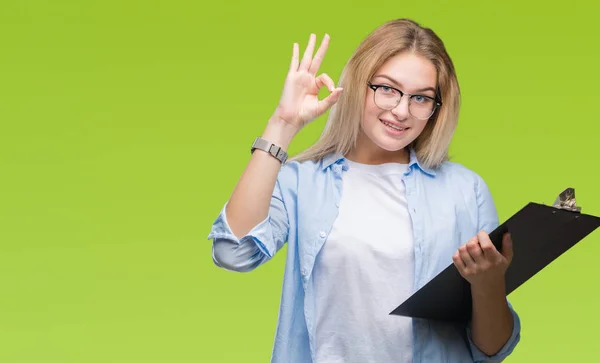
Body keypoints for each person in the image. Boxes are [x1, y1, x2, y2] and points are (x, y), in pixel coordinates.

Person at [207, 18, 521, 363]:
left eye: (421, 98)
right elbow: (232, 253)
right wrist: (282, 124)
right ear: (359, 83)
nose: (401, 111)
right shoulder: (302, 183)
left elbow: (491, 350)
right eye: (387, 88)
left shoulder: (465, 190)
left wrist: (488, 285)